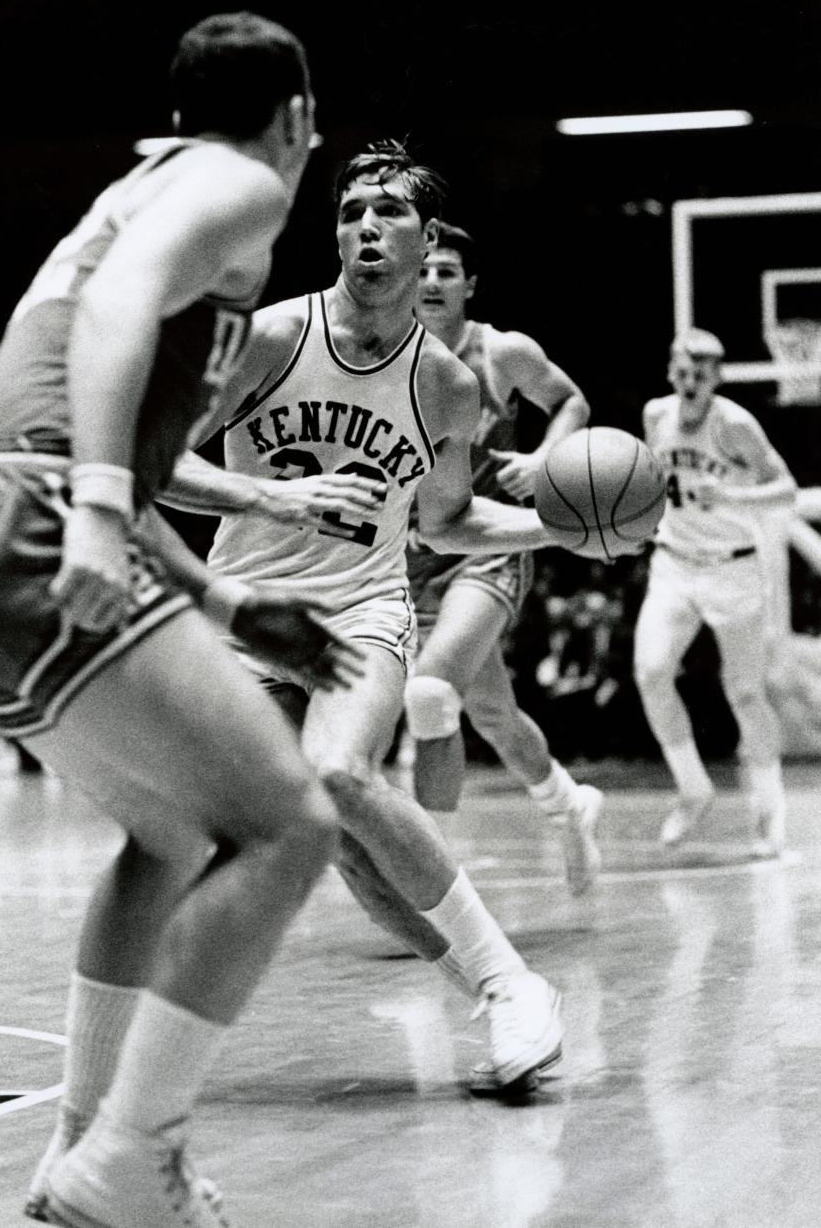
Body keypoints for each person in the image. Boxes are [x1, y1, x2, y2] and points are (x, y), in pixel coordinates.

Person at [0, 11, 357, 1228]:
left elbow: (75, 399)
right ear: (299, 118)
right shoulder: (239, 187)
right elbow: (111, 330)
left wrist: (220, 595)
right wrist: (98, 511)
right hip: (40, 524)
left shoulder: (137, 191)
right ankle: (129, 1158)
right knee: (293, 827)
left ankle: (76, 1154)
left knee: (167, 839)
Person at [163, 141, 570, 1098]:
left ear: (429, 242)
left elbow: (448, 519)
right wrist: (270, 503)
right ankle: (490, 991)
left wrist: (562, 530)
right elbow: (149, 461)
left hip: (362, 607)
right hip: (249, 612)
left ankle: (512, 983)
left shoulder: (448, 385)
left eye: (387, 212)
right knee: (326, 833)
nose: (365, 228)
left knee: (340, 772)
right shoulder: (269, 339)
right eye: (350, 213)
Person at [406, 222, 602, 896]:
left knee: (431, 693)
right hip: (413, 557)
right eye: (424, 269)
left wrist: (547, 456)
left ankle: (430, 887)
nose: (432, 281)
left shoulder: (501, 351)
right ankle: (568, 803)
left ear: (470, 286)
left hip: (488, 547)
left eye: (447, 272)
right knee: (492, 715)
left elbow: (572, 399)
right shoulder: (380, 353)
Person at [634, 328, 796, 855]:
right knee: (652, 673)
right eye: (682, 369)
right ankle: (692, 789)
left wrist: (728, 494)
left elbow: (785, 488)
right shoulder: (654, 415)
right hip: (676, 564)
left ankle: (769, 811)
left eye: (701, 372)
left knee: (745, 692)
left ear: (716, 378)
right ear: (670, 373)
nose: (690, 380)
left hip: (735, 568)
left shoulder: (735, 424)